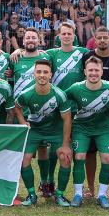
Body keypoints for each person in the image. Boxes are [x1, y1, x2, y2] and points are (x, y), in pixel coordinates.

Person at [65, 57, 109, 208]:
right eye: (90, 70)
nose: (93, 73)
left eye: (96, 70)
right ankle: (78, 194)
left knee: (107, 159)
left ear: (101, 72)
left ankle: (102, 195)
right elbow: (59, 97)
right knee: (79, 157)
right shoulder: (75, 88)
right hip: (81, 128)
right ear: (85, 72)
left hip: (103, 129)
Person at [14, 60, 72, 206]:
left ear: (50, 75)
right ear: (34, 74)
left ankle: (59, 195)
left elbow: (67, 120)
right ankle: (31, 194)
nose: (42, 75)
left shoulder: (60, 95)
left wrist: (65, 145)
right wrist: (22, 121)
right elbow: (17, 107)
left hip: (55, 131)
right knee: (24, 159)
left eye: (45, 72)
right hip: (35, 130)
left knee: (65, 157)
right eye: (39, 72)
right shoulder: (26, 94)